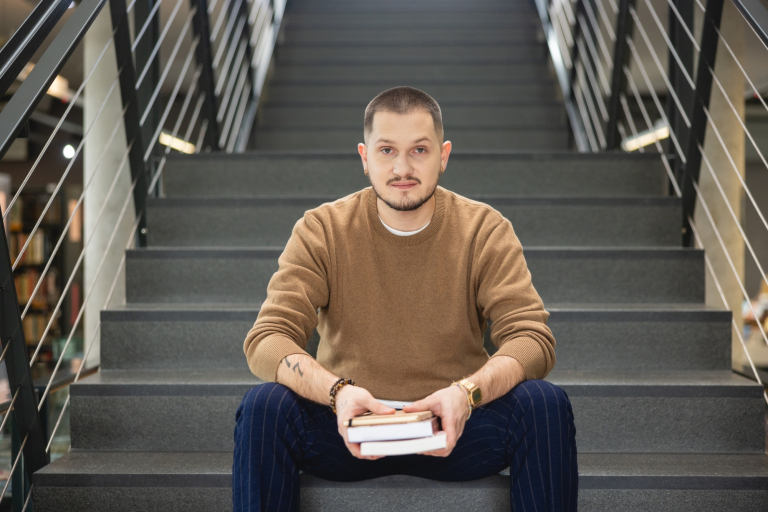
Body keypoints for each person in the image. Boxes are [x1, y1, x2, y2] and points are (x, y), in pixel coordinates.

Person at [233, 86, 578, 511]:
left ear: (443, 155)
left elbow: (532, 339)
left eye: (419, 150)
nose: (402, 168)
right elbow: (267, 339)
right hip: (348, 428)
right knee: (264, 405)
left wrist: (466, 393)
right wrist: (337, 391)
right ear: (364, 157)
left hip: (456, 425)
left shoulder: (484, 229)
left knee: (544, 404)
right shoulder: (321, 228)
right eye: (386, 150)